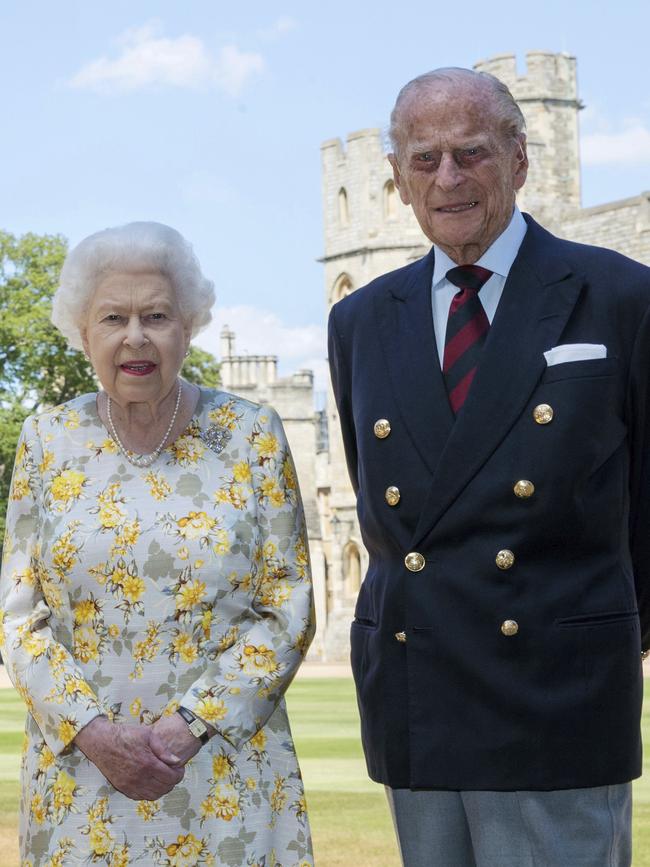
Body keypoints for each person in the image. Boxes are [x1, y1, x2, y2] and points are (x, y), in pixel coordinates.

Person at [328, 67, 650, 867]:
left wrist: (595, 634)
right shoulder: (361, 321)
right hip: (419, 693)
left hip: (556, 697)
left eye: (470, 153)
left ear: (519, 158)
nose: (448, 177)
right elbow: (383, 505)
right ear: (397, 182)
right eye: (425, 159)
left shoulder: (619, 295)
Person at [0, 221, 315, 866]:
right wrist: (94, 733)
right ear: (83, 332)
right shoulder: (45, 440)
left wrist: (188, 726)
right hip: (81, 780)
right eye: (113, 317)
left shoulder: (252, 433)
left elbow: (289, 605)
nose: (135, 337)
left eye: (158, 315)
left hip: (223, 771)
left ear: (188, 327)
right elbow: (17, 612)